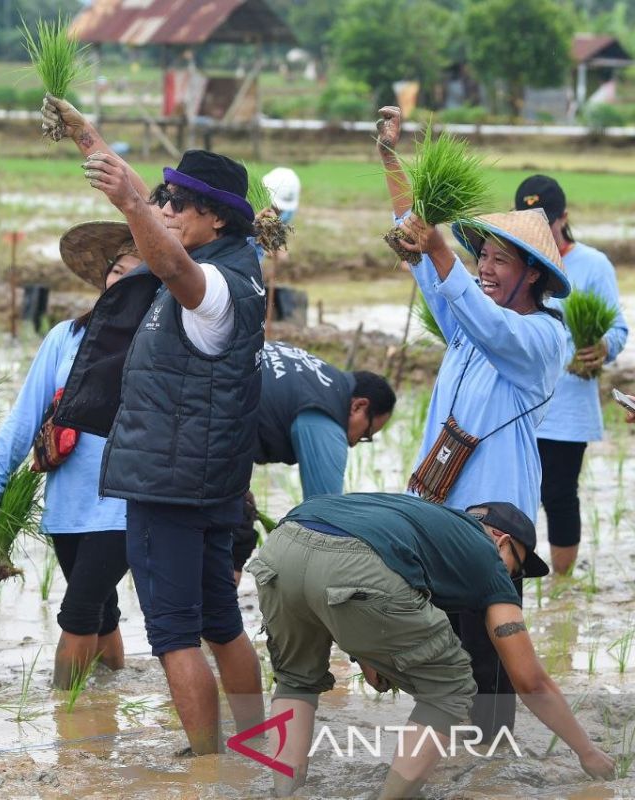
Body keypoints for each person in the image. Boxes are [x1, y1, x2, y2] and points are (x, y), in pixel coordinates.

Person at [44, 96, 267, 755]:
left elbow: (169, 261)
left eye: (178, 203)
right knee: (222, 624)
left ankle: (207, 764)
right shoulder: (240, 264)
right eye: (163, 198)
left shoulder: (218, 287)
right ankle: (256, 745)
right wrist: (85, 134)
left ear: (214, 218)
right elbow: (155, 217)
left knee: (173, 635)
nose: (165, 208)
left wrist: (133, 209)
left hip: (170, 487)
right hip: (207, 483)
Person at [377, 105, 569, 738]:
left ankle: (490, 768)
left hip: (495, 522)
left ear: (533, 274)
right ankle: (453, 759)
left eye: (498, 262)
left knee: (486, 657)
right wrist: (393, 167)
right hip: (440, 508)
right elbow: (425, 263)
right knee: (442, 649)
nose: (483, 268)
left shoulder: (541, 339)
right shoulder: (466, 332)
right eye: (479, 256)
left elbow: (490, 323)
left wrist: (437, 247)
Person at [248, 493, 614, 798]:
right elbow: (529, 680)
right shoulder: (486, 555)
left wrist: (364, 654)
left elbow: (347, 558)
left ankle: (284, 793)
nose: (511, 578)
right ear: (502, 540)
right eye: (516, 567)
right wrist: (587, 752)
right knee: (451, 686)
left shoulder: (428, 521)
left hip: (285, 543)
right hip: (353, 562)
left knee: (296, 680)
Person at [0, 221, 140, 688]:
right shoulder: (66, 339)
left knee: (78, 612)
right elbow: (25, 415)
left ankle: (64, 721)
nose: (124, 281)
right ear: (104, 280)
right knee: (101, 610)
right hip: (68, 503)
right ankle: (110, 694)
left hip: (126, 504)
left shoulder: (163, 344)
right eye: (117, 271)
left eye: (140, 274)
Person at [515, 175, 628, 575]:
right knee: (513, 497)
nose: (538, 232)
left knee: (559, 494)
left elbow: (617, 328)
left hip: (568, 403)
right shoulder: (514, 262)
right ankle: (511, 579)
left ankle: (561, 584)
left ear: (563, 218)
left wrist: (602, 349)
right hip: (520, 403)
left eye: (545, 222)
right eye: (527, 223)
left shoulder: (593, 264)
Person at [233, 342, 395, 581]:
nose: (353, 444)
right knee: (234, 535)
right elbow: (325, 518)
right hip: (203, 427)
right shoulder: (325, 419)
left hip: (186, 399)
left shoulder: (318, 373)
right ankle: (211, 616)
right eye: (365, 435)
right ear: (359, 405)